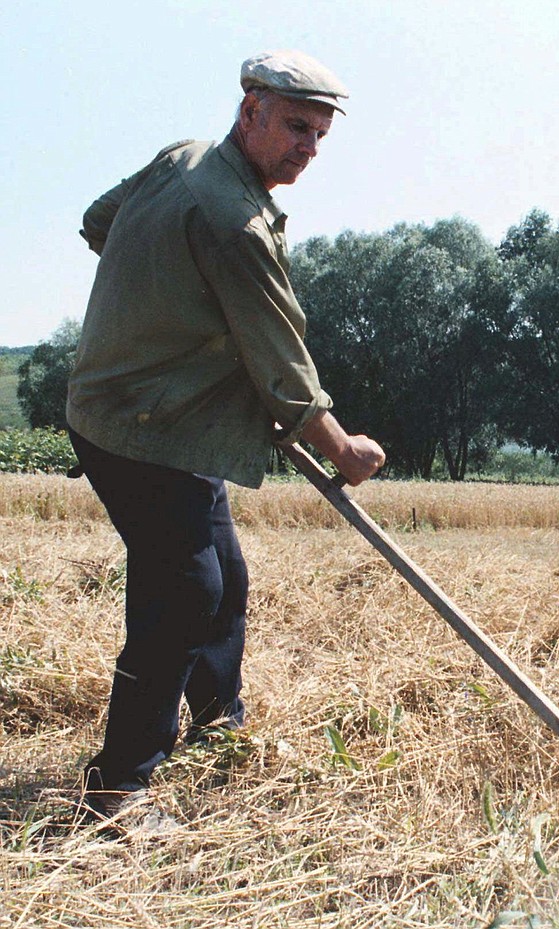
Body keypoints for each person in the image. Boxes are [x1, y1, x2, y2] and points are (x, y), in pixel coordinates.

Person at [66, 50, 385, 823]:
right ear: (250, 113)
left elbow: (99, 223)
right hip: (139, 428)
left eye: (319, 134)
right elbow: (284, 367)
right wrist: (346, 450)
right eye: (295, 127)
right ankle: (120, 785)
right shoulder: (234, 222)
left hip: (168, 419)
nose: (308, 147)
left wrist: (174, 304)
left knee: (225, 580)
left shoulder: (186, 159)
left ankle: (217, 728)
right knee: (185, 589)